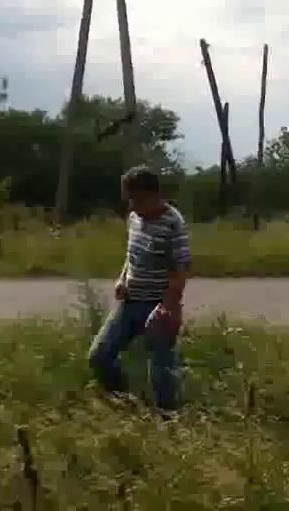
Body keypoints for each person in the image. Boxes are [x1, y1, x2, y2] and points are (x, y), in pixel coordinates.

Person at [87, 166, 190, 412]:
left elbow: (180, 271)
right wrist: (122, 279)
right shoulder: (134, 218)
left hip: (158, 306)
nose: (132, 206)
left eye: (137, 199)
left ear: (153, 195)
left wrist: (167, 308)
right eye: (129, 199)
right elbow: (131, 254)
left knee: (161, 372)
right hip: (130, 302)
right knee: (99, 356)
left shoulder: (173, 222)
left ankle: (168, 422)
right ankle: (126, 405)